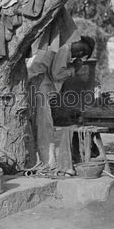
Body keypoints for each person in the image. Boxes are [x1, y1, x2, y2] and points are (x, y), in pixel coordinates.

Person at [28, 36, 95, 170]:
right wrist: (73, 69)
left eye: (82, 54)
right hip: (39, 83)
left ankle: (35, 161)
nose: (79, 54)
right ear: (77, 42)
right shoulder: (64, 47)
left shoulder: (58, 45)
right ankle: (48, 163)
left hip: (34, 81)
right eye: (81, 50)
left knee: (35, 124)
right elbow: (57, 74)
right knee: (44, 125)